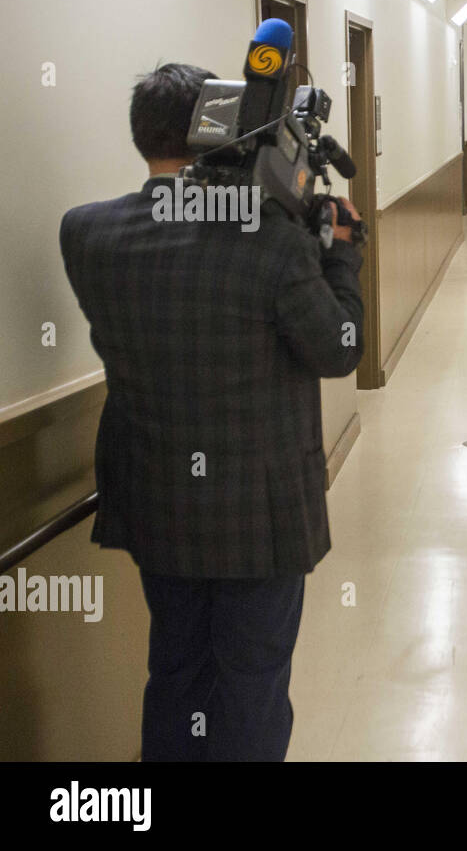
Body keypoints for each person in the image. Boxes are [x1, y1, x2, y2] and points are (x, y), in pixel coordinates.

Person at [59, 62, 365, 761]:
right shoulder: (270, 240)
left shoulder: (86, 234)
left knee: (174, 675)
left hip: (157, 506)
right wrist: (340, 259)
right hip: (257, 519)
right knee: (251, 689)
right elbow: (337, 349)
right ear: (221, 128)